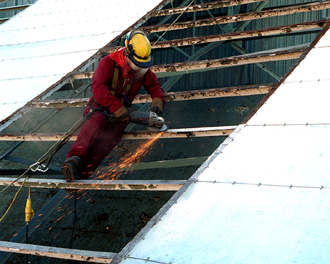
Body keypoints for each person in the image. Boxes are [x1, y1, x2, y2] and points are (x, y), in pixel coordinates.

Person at [61, 30, 165, 181]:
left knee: (111, 138)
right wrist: (116, 108)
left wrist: (158, 103)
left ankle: (83, 174)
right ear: (127, 52)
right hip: (100, 108)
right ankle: (73, 161)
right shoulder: (108, 63)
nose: (139, 69)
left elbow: (155, 86)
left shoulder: (142, 69)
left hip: (121, 116)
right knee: (95, 124)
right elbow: (98, 87)